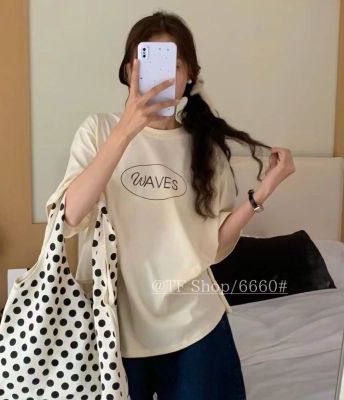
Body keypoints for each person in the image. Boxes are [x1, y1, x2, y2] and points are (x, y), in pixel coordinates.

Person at [45, 10, 296, 400]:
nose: (162, 77)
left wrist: (262, 192)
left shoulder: (205, 148)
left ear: (189, 76)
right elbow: (70, 216)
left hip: (196, 326)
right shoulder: (98, 131)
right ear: (129, 70)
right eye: (148, 64)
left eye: (174, 66)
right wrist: (127, 129)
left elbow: (213, 247)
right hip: (115, 330)